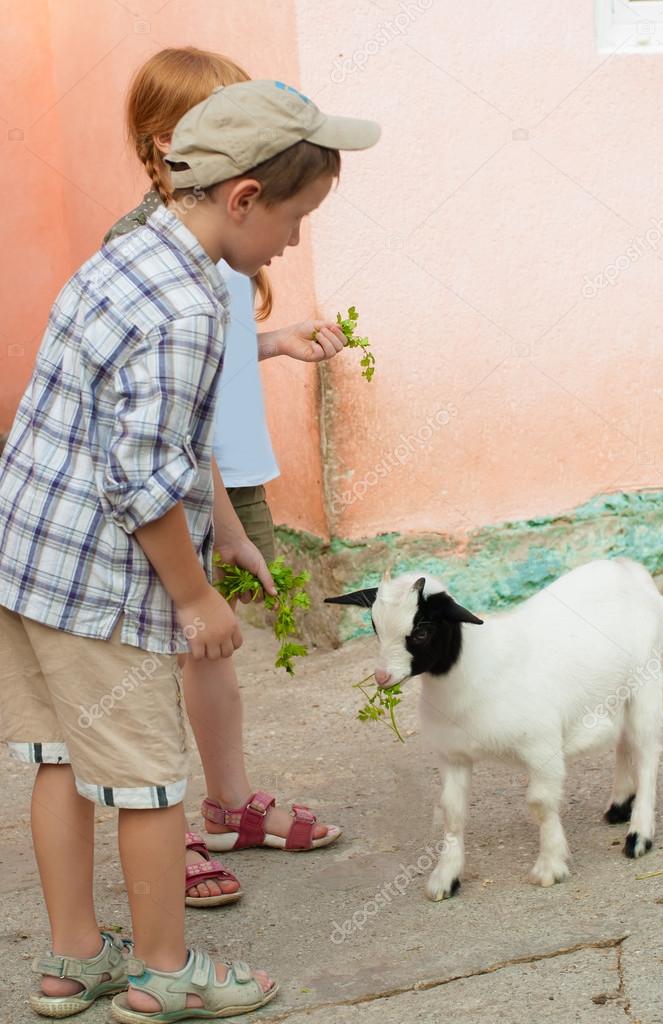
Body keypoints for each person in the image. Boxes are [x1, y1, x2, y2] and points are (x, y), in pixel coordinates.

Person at [0, 79, 380, 1021]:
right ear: (245, 197)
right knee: (150, 783)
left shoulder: (129, 258)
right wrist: (196, 598)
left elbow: (139, 432)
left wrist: (231, 531)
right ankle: (166, 974)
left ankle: (73, 960)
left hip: (30, 562)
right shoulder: (187, 308)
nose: (295, 241)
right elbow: (140, 477)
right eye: (296, 218)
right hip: (100, 582)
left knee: (60, 760)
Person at [106, 49, 346, 909]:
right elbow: (160, 419)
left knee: (211, 646)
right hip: (169, 483)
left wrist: (275, 343)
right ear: (177, 142)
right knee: (164, 650)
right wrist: (214, 524)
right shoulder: (150, 249)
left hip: (217, 468)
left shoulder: (224, 234)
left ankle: (228, 804)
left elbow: (205, 367)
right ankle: (163, 832)